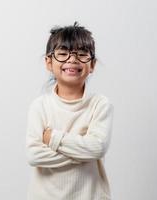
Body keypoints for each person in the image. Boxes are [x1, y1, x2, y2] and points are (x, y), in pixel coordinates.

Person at [25, 22, 114, 200]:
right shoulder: (40, 106)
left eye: (81, 54)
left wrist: (53, 138)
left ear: (93, 64)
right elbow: (34, 155)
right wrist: (83, 150)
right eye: (63, 54)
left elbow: (97, 148)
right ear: (49, 62)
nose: (72, 60)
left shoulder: (100, 104)